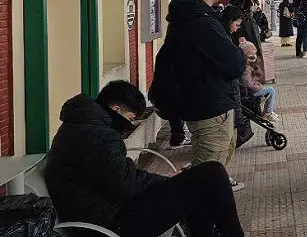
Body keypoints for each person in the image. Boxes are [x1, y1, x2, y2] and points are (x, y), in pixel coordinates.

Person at [45, 81, 245, 237]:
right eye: (131, 118)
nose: (130, 124)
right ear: (116, 109)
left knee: (199, 184)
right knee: (212, 174)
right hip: (113, 223)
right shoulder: (94, 135)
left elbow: (118, 176)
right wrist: (168, 182)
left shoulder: (84, 127)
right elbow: (125, 186)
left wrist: (171, 182)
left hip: (109, 211)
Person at [165, 0, 246, 171]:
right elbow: (234, 64)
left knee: (212, 167)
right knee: (208, 171)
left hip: (201, 100)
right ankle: (201, 202)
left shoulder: (187, 17)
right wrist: (242, 51)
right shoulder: (201, 21)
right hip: (210, 105)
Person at [219, 6, 255, 160]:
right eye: (237, 24)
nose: (237, 28)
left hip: (227, 91)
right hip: (225, 94)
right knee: (227, 143)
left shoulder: (222, 34)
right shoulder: (222, 37)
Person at [241, 40, 279, 122]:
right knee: (271, 90)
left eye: (255, 53)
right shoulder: (246, 67)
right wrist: (259, 87)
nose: (254, 56)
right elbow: (247, 83)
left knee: (269, 90)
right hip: (249, 92)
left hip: (249, 90)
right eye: (252, 54)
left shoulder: (247, 64)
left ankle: (268, 111)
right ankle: (268, 112)